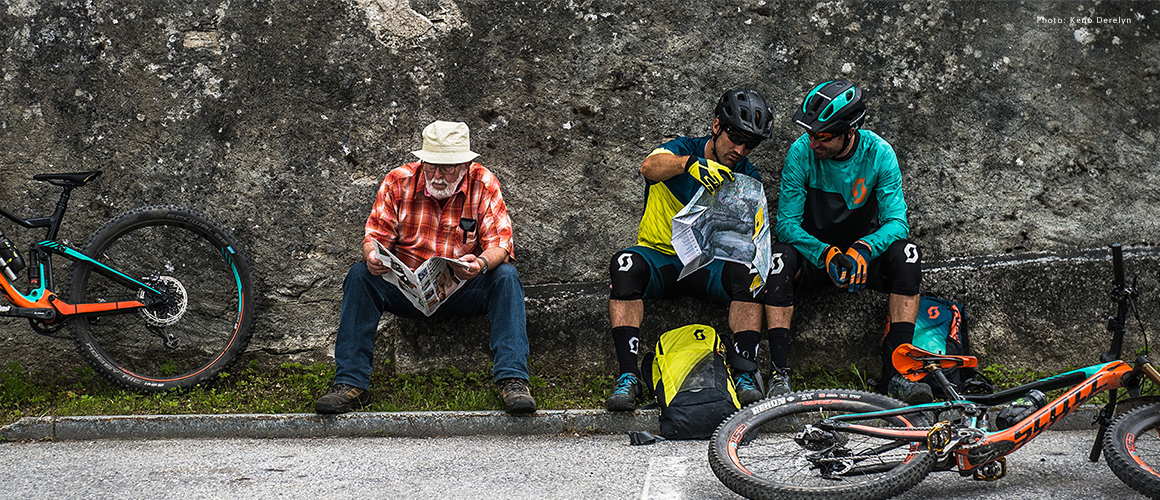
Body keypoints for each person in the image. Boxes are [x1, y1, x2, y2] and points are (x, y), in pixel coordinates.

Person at [315, 120, 536, 415]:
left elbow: (502, 244)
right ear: (422, 161)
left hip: (460, 289)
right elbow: (375, 236)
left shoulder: (483, 182)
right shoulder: (398, 181)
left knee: (506, 276)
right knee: (360, 275)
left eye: (447, 167)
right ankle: (350, 384)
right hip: (408, 289)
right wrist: (373, 256)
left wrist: (481, 263)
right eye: (432, 166)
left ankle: (513, 381)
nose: (438, 175)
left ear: (464, 165)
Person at [606, 88, 775, 411]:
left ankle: (743, 373)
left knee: (752, 274)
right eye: (735, 138)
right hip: (661, 258)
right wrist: (689, 165)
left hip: (709, 265)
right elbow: (649, 167)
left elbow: (752, 236)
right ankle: (628, 377)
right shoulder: (684, 148)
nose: (740, 149)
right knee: (624, 264)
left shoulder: (746, 174)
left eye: (749, 144)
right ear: (716, 126)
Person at [763, 80, 928, 403]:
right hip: (815, 256)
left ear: (850, 131)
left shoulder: (879, 153)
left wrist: (863, 249)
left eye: (823, 135)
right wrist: (825, 253)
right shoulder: (800, 153)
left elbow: (897, 222)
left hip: (860, 259)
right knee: (778, 259)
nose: (813, 143)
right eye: (810, 133)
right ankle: (779, 375)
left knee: (908, 255)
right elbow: (785, 224)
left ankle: (897, 374)